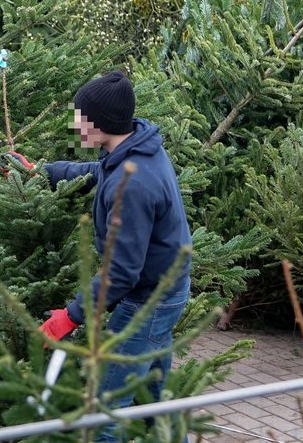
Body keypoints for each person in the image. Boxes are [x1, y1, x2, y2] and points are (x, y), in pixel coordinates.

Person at [38, 71, 191, 442]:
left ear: (100, 124)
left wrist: (71, 316)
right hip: (164, 290)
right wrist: (46, 173)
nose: (75, 124)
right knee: (156, 398)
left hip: (149, 300)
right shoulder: (131, 148)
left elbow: (122, 273)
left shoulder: (133, 184)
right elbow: (97, 171)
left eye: (80, 117)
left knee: (105, 409)